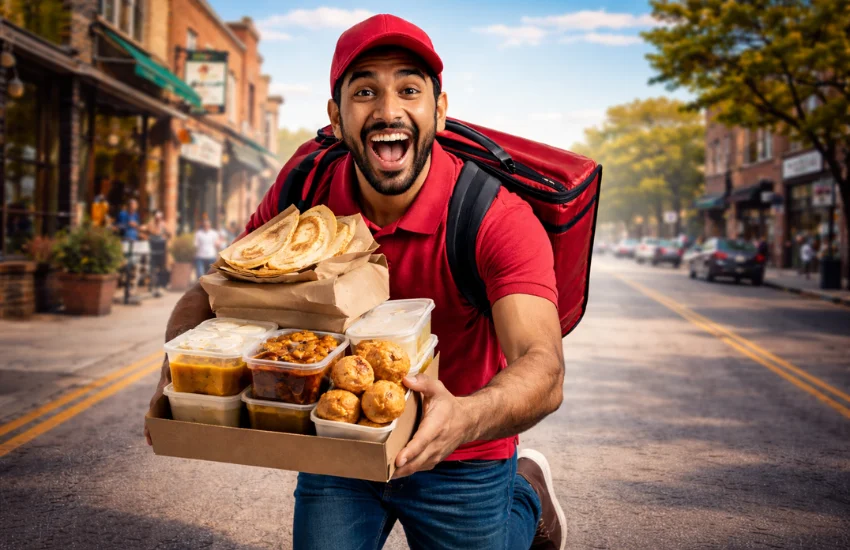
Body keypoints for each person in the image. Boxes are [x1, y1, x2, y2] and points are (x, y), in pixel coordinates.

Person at [145, 14, 566, 550]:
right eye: (364, 90)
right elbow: (213, 291)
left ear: (438, 111)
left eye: (409, 89)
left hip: (459, 452)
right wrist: (178, 369)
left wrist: (466, 416)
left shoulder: (492, 217)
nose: (388, 110)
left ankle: (526, 498)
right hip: (337, 437)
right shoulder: (304, 191)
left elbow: (543, 366)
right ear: (337, 117)